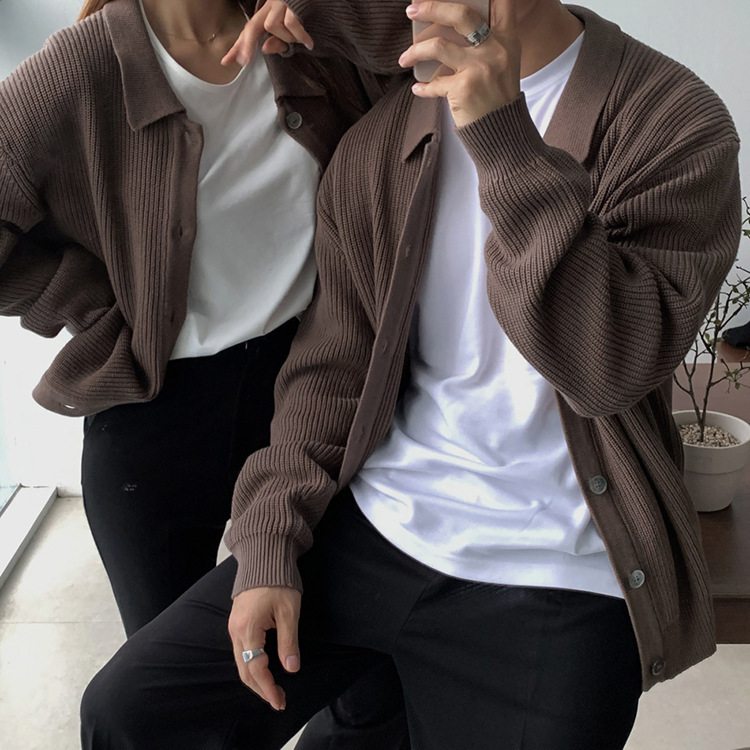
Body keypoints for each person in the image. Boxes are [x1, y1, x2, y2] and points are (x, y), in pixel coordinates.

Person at [79, 0, 742, 748]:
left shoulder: (674, 121)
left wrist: (504, 139)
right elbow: (331, 370)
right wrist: (268, 538)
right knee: (131, 713)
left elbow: (608, 368)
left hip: (558, 566)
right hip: (381, 522)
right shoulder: (384, 136)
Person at [0, 0, 413, 747]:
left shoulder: (304, 31)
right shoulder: (79, 70)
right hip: (156, 423)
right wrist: (88, 303)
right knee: (182, 708)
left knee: (368, 685)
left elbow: (440, 55)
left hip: (314, 395)